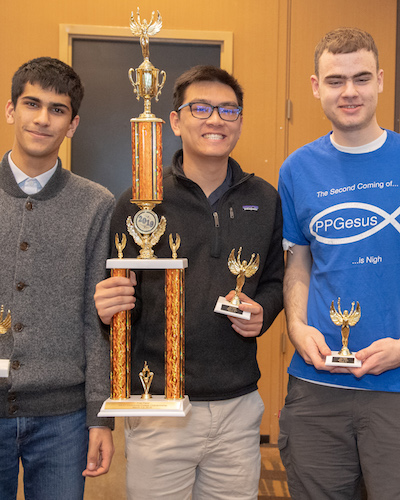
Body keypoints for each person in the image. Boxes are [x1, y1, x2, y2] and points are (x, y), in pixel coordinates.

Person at [94, 65, 284, 500]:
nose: (215, 119)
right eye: (200, 108)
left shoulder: (265, 198)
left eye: (228, 110)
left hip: (238, 406)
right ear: (176, 121)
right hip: (160, 407)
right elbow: (124, 301)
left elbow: (274, 278)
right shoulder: (139, 200)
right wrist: (109, 307)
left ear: (239, 120)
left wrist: (264, 311)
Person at [278, 27, 400, 499]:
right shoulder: (296, 169)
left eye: (361, 78)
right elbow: (299, 262)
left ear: (381, 81)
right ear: (315, 86)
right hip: (317, 385)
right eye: (335, 80)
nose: (349, 92)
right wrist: (296, 326)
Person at [0, 57, 115, 500]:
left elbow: (97, 318)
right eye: (32, 104)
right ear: (12, 110)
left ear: (73, 124)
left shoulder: (95, 205)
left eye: (57, 109)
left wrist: (99, 416)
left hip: (62, 419)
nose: (42, 118)